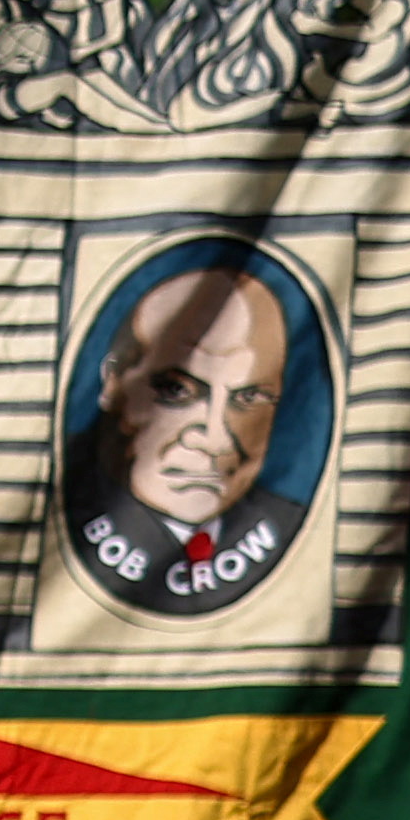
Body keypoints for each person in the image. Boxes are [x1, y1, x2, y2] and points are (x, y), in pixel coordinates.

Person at [65, 244, 318, 615]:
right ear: (114, 383)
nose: (215, 440)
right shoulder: (52, 516)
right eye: (176, 391)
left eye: (248, 398)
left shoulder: (296, 531)